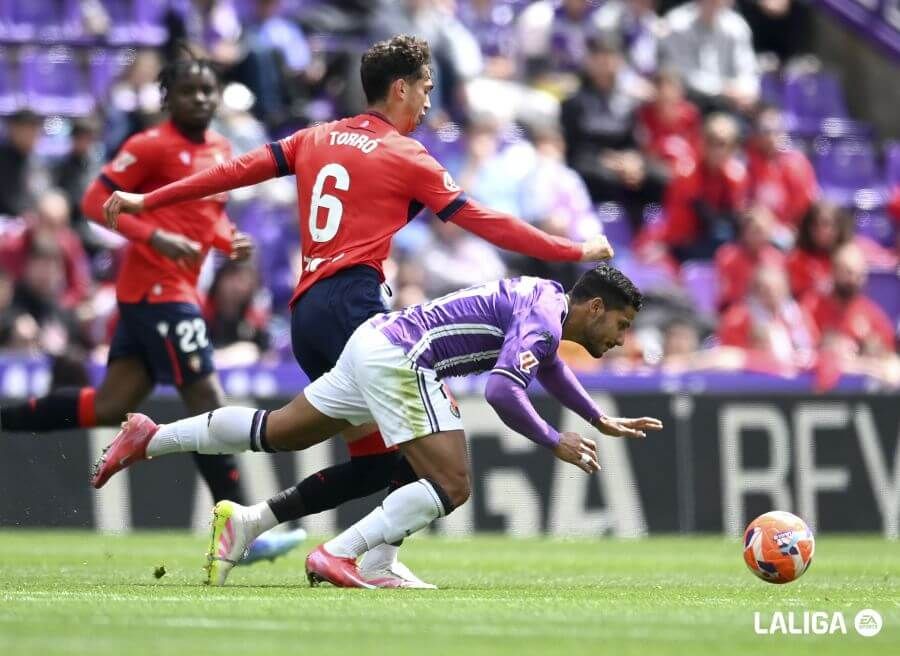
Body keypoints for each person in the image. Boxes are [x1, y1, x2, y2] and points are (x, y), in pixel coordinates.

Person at [101, 34, 615, 589]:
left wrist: (148, 199)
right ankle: (357, 557)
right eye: (425, 89)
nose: (427, 103)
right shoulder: (404, 154)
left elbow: (236, 170)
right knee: (441, 465)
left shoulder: (315, 137)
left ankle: (172, 455)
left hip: (308, 313)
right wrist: (573, 251)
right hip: (358, 311)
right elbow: (485, 220)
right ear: (400, 87)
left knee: (337, 449)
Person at [91, 265, 665, 589]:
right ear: (594, 308)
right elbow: (501, 390)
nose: (620, 337)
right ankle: (341, 553)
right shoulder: (543, 316)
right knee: (453, 482)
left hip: (374, 342)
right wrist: (553, 438)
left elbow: (551, 367)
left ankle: (152, 437)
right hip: (403, 359)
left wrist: (595, 416)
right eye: (621, 323)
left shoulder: (544, 298)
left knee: (279, 430)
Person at [0, 46, 303, 565]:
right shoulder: (149, 146)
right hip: (160, 292)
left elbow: (204, 217)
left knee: (110, 405)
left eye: (208, 89)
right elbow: (96, 201)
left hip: (164, 296)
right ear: (167, 98)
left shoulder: (220, 147)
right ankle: (241, 531)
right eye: (189, 91)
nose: (201, 98)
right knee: (211, 405)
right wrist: (154, 237)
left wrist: (227, 237)